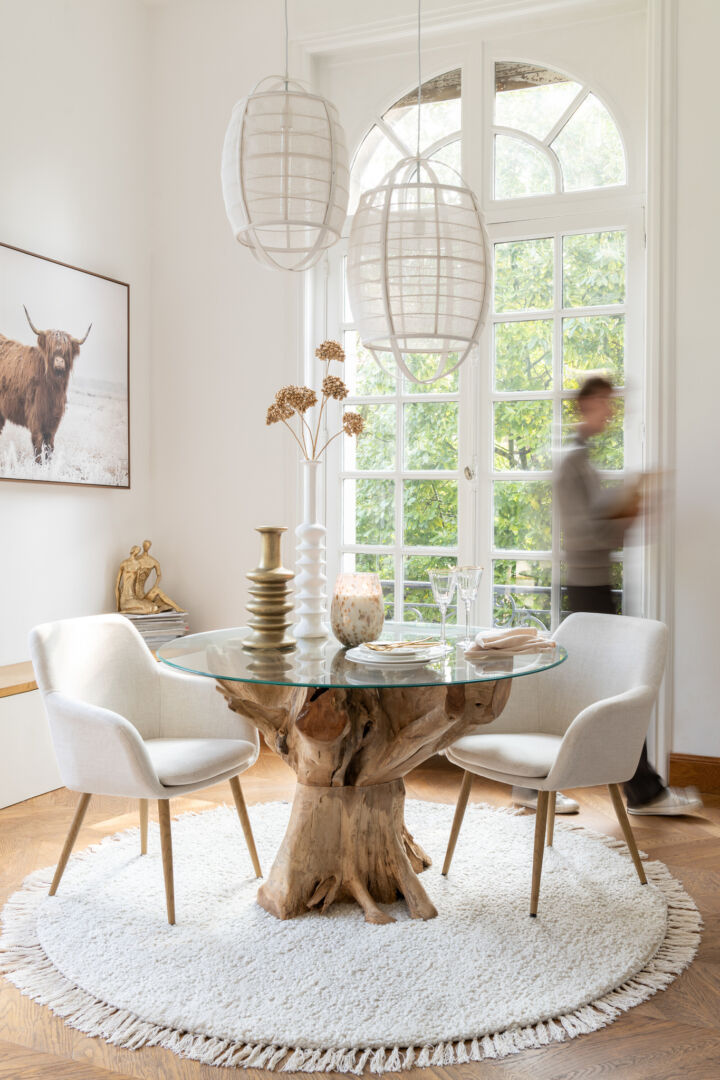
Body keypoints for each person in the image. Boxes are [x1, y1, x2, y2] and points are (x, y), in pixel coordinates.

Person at [544, 375, 700, 816]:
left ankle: (637, 790)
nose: (611, 413)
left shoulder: (582, 460)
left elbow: (594, 524)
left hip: (594, 583)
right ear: (588, 405)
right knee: (612, 683)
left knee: (605, 684)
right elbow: (582, 532)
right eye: (606, 404)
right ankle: (639, 791)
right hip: (585, 585)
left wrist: (627, 509)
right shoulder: (570, 462)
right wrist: (628, 511)